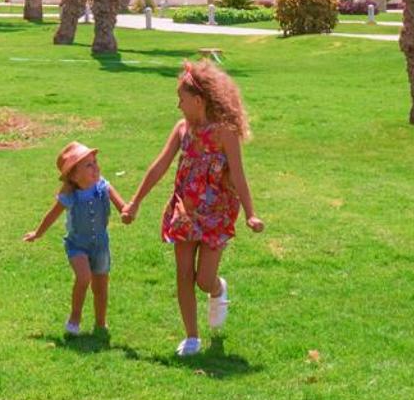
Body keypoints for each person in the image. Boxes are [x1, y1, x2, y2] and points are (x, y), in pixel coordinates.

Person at [123, 58, 264, 357]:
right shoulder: (181, 129)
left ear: (198, 101)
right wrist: (135, 201)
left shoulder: (225, 132)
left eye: (181, 99)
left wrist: (251, 213)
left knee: (203, 279)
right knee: (183, 273)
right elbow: (159, 166)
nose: (178, 106)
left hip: (217, 211)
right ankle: (192, 337)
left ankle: (217, 288)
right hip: (184, 210)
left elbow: (238, 174)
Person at [23, 141, 129, 337]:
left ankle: (100, 322)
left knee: (101, 286)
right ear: (74, 175)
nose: (95, 167)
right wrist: (38, 233)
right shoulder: (70, 195)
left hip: (101, 245)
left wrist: (127, 212)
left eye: (95, 162)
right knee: (83, 277)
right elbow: (52, 214)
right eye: (88, 165)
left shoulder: (103, 186)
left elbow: (123, 207)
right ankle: (75, 317)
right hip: (77, 245)